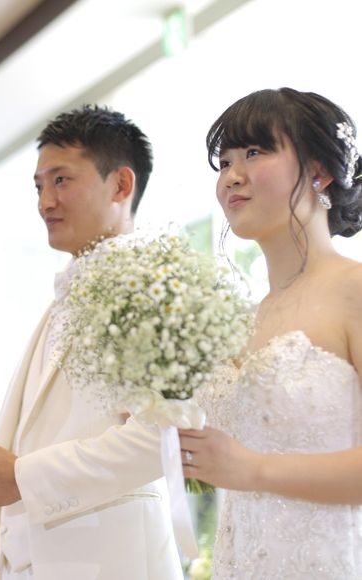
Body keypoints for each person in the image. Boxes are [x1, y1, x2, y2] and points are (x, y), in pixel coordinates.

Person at [0, 105, 191, 580]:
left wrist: (23, 476)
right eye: (39, 186)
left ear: (121, 185)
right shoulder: (61, 300)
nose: (45, 202)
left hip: (109, 562)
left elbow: (165, 435)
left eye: (61, 181)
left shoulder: (154, 290)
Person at [179, 87, 362, 578]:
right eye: (224, 162)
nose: (232, 176)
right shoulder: (242, 322)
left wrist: (252, 469)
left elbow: (245, 464)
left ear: (320, 171)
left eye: (255, 152)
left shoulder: (355, 290)